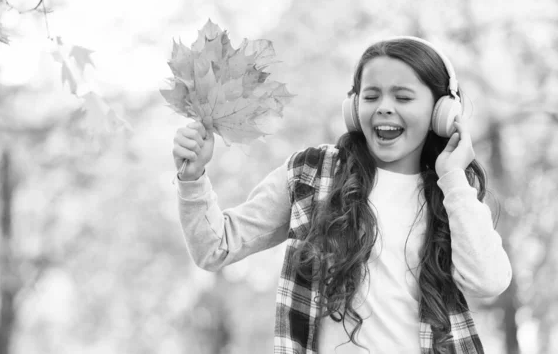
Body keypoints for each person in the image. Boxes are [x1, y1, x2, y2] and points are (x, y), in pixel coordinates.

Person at [171, 36, 512, 354]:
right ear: (353, 106)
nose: (384, 107)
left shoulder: (449, 193)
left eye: (403, 97)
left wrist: (452, 177)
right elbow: (214, 248)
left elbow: (489, 281)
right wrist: (192, 178)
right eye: (371, 95)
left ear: (442, 112)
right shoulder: (311, 173)